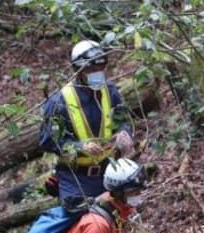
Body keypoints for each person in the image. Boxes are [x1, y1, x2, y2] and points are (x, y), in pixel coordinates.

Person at [39, 39, 134, 205]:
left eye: (100, 68)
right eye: (91, 69)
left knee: (119, 218)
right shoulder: (59, 102)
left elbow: (123, 119)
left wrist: (125, 132)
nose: (97, 72)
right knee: (82, 220)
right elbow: (48, 140)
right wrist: (79, 147)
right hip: (75, 178)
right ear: (79, 70)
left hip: (109, 172)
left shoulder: (110, 91)